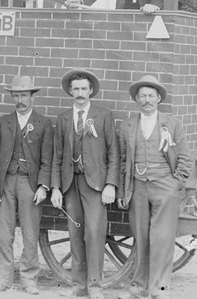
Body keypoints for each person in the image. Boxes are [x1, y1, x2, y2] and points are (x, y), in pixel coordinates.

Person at [117, 75, 193, 299]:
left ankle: (158, 289)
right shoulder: (127, 125)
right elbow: (122, 160)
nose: (147, 100)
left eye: (151, 96)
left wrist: (175, 184)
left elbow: (185, 158)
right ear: (136, 99)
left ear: (159, 98)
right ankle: (138, 287)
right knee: (140, 237)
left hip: (164, 186)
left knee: (163, 238)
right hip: (137, 187)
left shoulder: (173, 124)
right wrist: (123, 189)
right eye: (143, 96)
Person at [51, 70, 119, 299]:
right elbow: (57, 156)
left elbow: (113, 152)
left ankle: (95, 287)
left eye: (84, 89)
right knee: (75, 233)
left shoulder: (104, 116)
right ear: (70, 92)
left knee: (95, 233)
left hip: (96, 185)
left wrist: (110, 184)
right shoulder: (63, 119)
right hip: (71, 184)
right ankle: (78, 287)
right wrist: (56, 187)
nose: (80, 93)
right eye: (76, 89)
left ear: (91, 91)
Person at [0, 75, 53, 295]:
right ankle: (3, 280)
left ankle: (29, 280)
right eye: (16, 96)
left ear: (32, 97)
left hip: (29, 184)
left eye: (24, 95)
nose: (20, 100)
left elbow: (47, 160)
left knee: (30, 233)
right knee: (4, 234)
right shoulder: (3, 122)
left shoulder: (43, 123)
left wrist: (43, 186)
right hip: (5, 183)